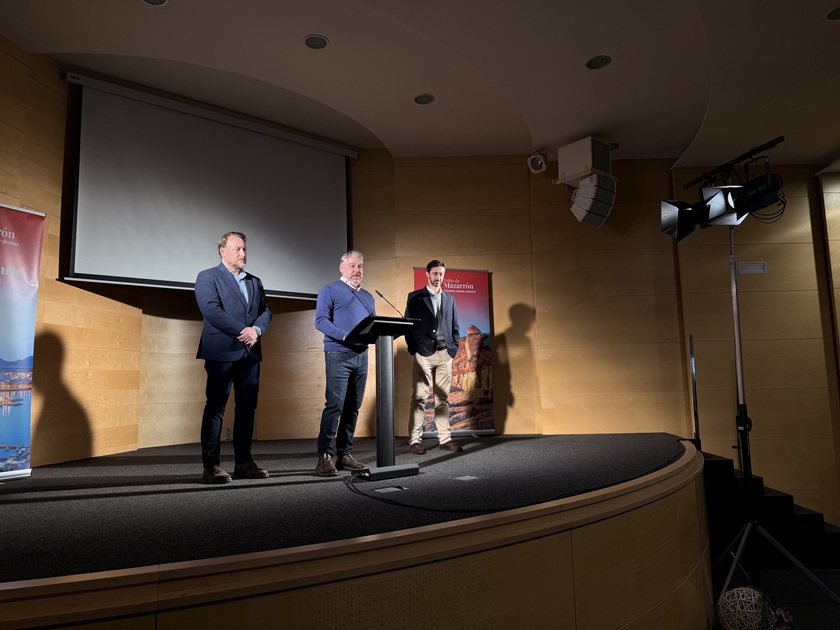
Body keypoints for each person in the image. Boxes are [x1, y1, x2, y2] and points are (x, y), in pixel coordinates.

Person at [195, 231, 272, 484]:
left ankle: (244, 462)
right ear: (222, 251)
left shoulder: (254, 281)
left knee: (247, 409)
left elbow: (266, 310)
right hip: (221, 352)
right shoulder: (208, 277)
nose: (243, 253)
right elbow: (211, 310)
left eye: (244, 249)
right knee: (216, 408)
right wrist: (243, 331)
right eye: (237, 249)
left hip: (250, 354)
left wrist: (256, 330)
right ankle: (211, 465)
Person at [314, 250, 374, 476]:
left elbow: (372, 324)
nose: (357, 270)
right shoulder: (329, 290)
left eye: (360, 266)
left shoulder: (368, 296)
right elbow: (320, 321)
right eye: (352, 266)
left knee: (353, 406)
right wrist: (345, 336)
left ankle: (344, 454)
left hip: (361, 355)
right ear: (342, 268)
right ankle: (324, 456)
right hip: (338, 354)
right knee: (335, 405)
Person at [405, 260, 462, 454]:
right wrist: (414, 349)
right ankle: (415, 441)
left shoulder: (450, 299)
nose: (439, 277)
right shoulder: (415, 297)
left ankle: (445, 440)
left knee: (442, 399)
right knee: (419, 398)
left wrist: (453, 349)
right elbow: (408, 326)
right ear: (427, 275)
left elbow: (455, 327)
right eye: (435, 274)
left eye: (441, 274)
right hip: (423, 355)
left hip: (445, 354)